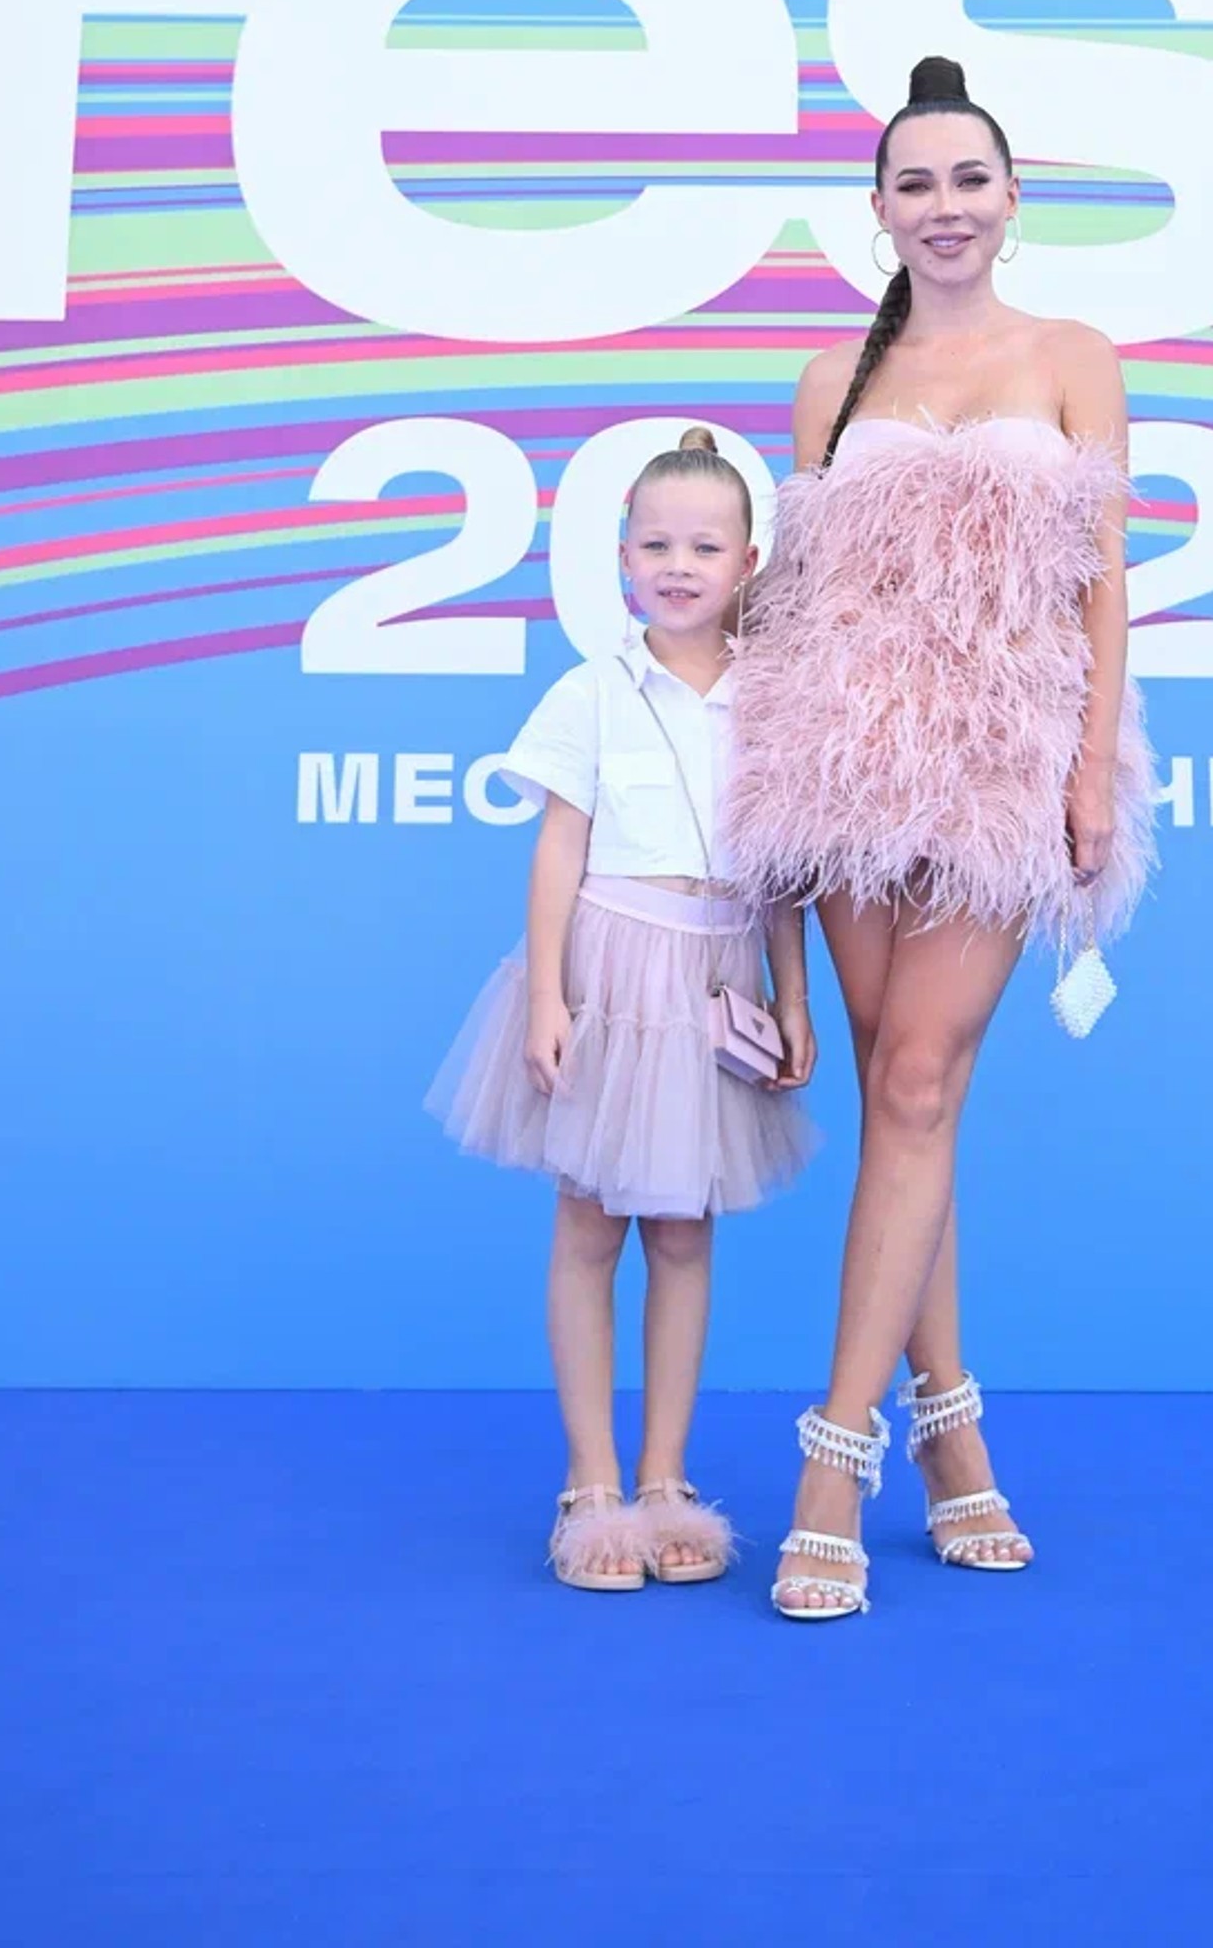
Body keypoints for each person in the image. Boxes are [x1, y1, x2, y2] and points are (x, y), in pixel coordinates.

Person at [725, 57, 1156, 1621]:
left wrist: (1090, 768)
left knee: (919, 1081)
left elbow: (1104, 580)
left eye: (970, 177)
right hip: (844, 757)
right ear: (880, 208)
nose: (945, 204)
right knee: (908, 1097)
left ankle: (832, 1463)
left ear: (1011, 195)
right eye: (916, 182)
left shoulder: (1074, 354)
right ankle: (954, 1438)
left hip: (1004, 755)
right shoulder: (829, 379)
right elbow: (799, 593)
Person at [427, 426, 818, 1591]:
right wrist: (548, 993)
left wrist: (792, 995)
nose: (678, 565)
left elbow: (782, 870)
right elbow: (559, 847)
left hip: (715, 980)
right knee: (590, 1224)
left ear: (747, 561)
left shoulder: (776, 704)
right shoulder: (591, 691)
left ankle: (664, 1479)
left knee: (685, 1232)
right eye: (656, 544)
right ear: (621, 557)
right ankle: (590, 1483)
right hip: (608, 974)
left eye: (704, 545)